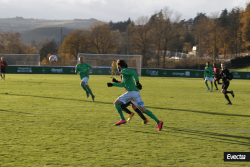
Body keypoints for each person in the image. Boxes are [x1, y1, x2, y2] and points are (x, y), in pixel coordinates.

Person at [107, 59, 163, 131]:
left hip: (131, 93)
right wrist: (112, 84)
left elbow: (133, 72)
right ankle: (158, 122)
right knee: (143, 110)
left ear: (119, 66)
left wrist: (138, 82)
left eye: (117, 66)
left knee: (116, 103)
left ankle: (122, 119)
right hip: (136, 93)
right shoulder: (125, 73)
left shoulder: (123, 71)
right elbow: (123, 84)